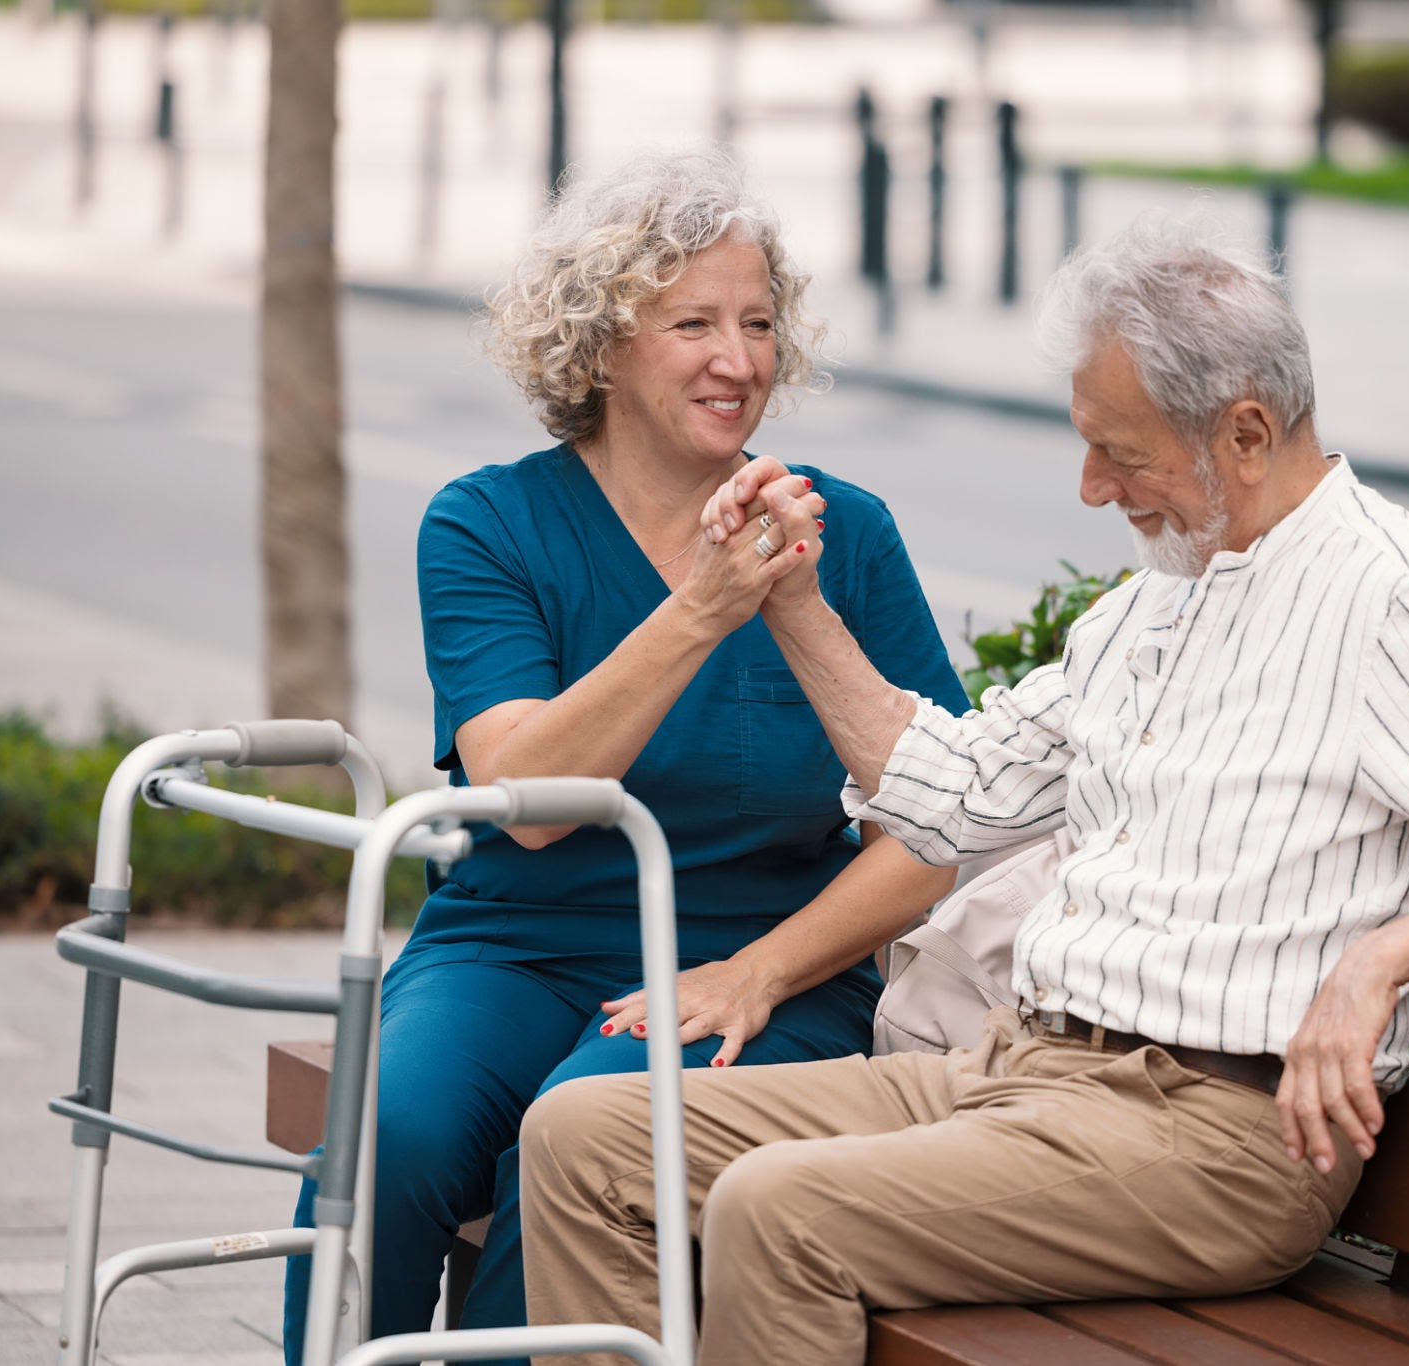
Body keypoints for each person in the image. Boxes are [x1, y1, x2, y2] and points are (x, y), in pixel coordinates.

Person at [515, 218, 1409, 1366]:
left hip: (1215, 1136)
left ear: (1243, 432)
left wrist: (1380, 961)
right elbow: (955, 794)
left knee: (780, 1209)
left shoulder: (1395, 595)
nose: (1091, 487)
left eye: (1119, 452)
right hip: (1020, 1075)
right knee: (588, 1137)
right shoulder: (1161, 596)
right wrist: (792, 600)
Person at [278, 148, 966, 1363]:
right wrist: (703, 606)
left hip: (758, 968)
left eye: (757, 322)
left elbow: (937, 831)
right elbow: (526, 803)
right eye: (693, 322)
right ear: (599, 347)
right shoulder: (488, 521)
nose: (740, 359)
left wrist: (758, 971)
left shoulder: (842, 535)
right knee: (389, 1131)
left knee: (580, 1133)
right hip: (515, 940)